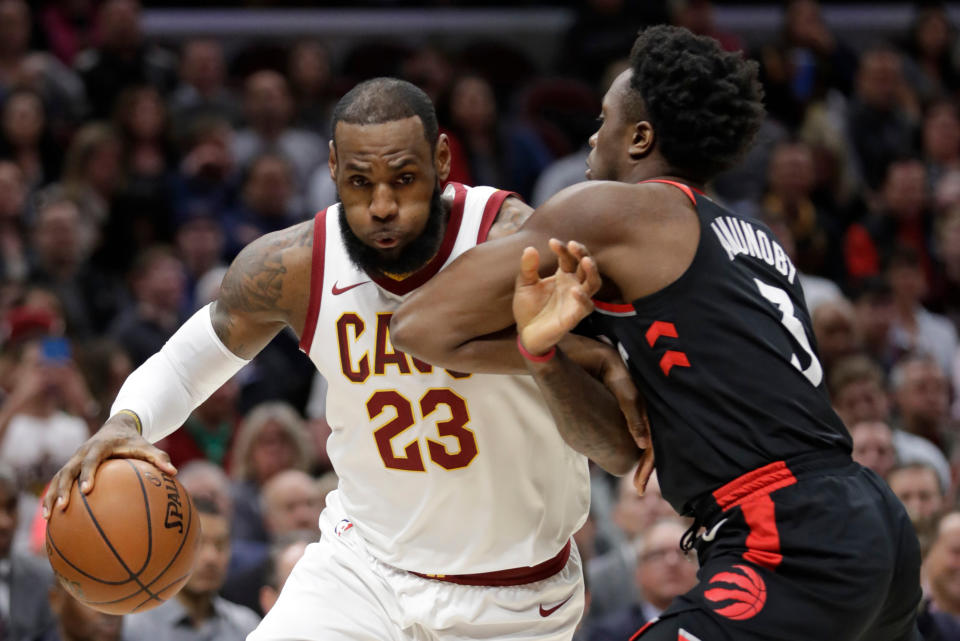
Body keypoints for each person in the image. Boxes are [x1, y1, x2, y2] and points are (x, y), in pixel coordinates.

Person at [43, 78, 640, 640]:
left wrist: (561, 354)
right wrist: (124, 424)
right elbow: (184, 363)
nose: (382, 205)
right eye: (359, 182)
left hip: (514, 594)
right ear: (331, 168)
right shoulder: (296, 264)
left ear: (440, 159)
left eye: (403, 179)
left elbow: (616, 447)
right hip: (363, 570)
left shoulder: (516, 244)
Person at [391, 25, 923, 641]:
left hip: (788, 532)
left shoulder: (611, 211)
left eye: (604, 118)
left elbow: (418, 326)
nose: (592, 135)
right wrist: (549, 354)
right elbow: (625, 452)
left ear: (641, 136)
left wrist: (584, 348)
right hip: (866, 522)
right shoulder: (752, 242)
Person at [123, 498, 260, 641]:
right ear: (171, 548)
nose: (211, 557)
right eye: (197, 543)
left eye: (220, 545)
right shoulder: (133, 627)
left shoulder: (247, 626)